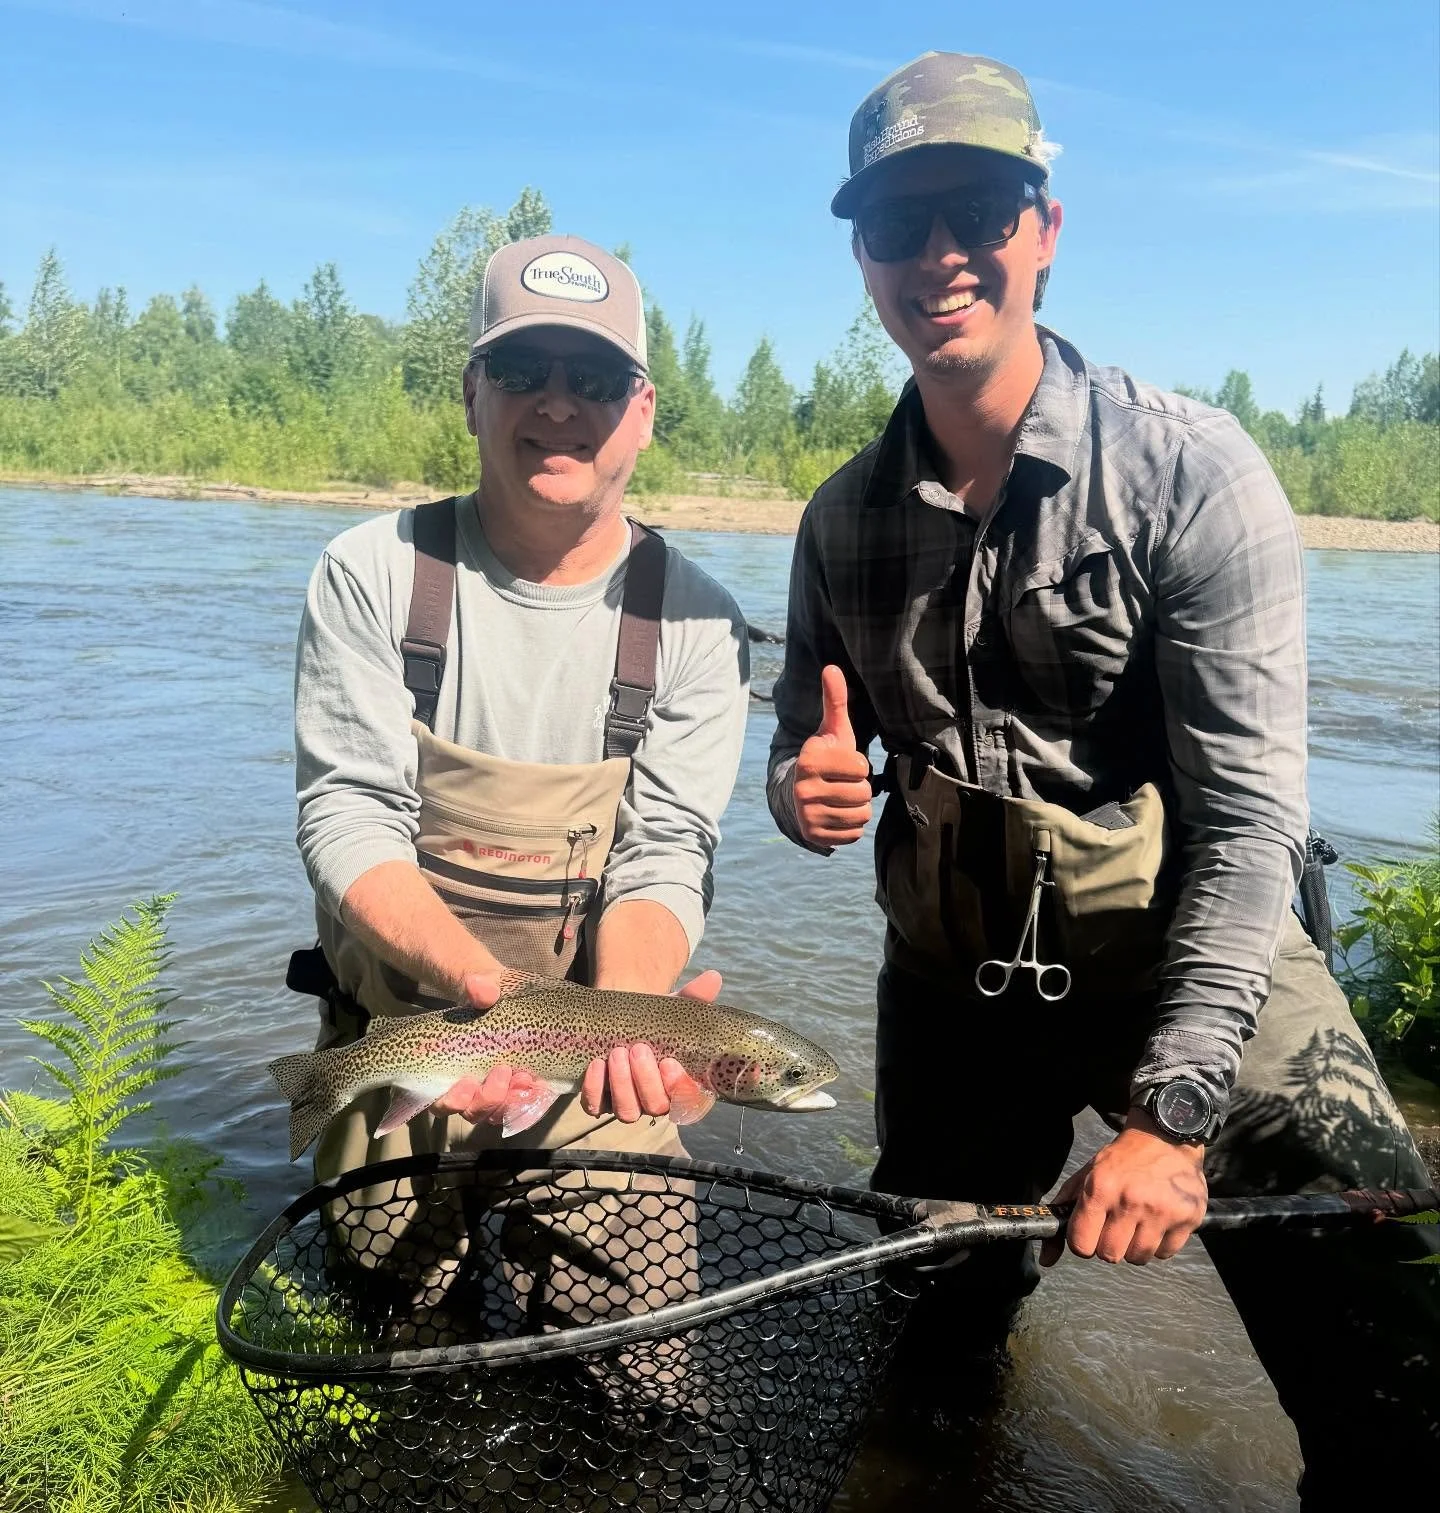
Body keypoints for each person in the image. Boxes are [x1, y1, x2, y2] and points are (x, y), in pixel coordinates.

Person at [766, 52, 1437, 1505]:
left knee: (1400, 1346)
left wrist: (1171, 1116)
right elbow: (809, 743)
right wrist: (800, 791)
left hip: (1195, 958)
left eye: (977, 208)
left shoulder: (1194, 472)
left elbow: (1257, 822)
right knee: (929, 1360)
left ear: (1044, 229)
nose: (938, 249)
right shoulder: (839, 521)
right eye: (897, 223)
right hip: (953, 992)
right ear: (863, 260)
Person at [289, 233, 746, 1310]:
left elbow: (664, 857)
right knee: (388, 1355)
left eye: (591, 378)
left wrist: (623, 1025)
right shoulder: (373, 574)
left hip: (589, 1051)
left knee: (631, 1366)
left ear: (641, 410)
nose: (556, 404)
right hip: (402, 1039)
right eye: (520, 372)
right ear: (470, 393)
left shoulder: (697, 619)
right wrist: (491, 998)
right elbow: (347, 819)